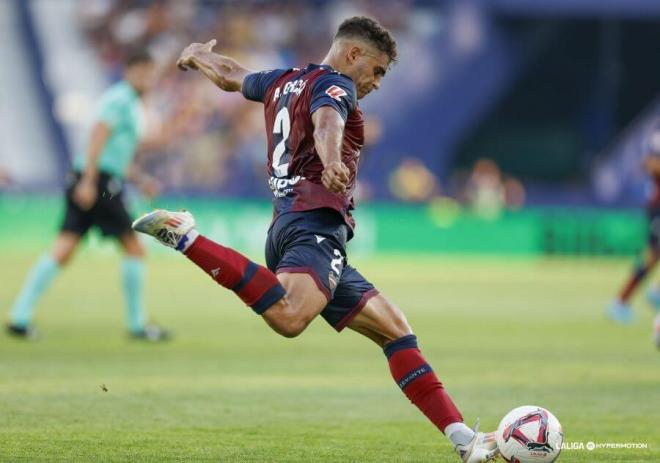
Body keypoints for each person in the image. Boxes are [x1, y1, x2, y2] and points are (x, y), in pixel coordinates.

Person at [133, 17, 498, 461]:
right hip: (313, 224)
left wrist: (199, 55)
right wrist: (329, 160)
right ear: (353, 55)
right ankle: (186, 237)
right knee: (289, 317)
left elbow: (232, 76)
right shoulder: (337, 86)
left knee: (396, 332)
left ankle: (465, 440)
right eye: (378, 70)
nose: (378, 83)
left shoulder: (283, 80)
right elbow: (327, 122)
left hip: (295, 225)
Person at [6, 50, 169, 341]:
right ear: (128, 71)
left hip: (93, 177)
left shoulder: (128, 101)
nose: (147, 78)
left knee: (64, 247)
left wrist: (139, 179)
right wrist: (90, 182)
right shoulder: (120, 99)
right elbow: (97, 136)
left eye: (150, 73)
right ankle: (137, 325)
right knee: (134, 248)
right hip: (100, 183)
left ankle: (19, 316)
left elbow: (114, 151)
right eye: (142, 72)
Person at [607, 127, 660, 347]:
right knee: (652, 255)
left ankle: (639, 297)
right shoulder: (656, 139)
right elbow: (649, 164)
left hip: (655, 207)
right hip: (657, 209)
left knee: (653, 256)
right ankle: (621, 302)